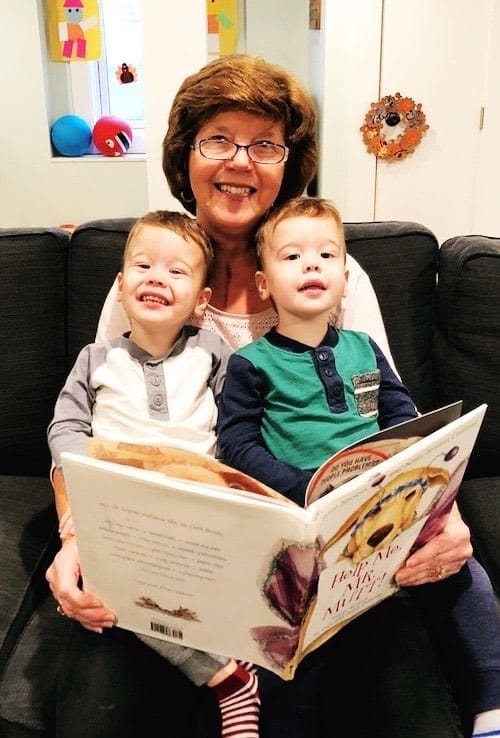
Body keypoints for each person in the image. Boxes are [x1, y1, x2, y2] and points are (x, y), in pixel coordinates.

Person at [45, 54, 474, 738]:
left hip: (328, 555)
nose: (239, 162)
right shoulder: (146, 276)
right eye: (218, 138)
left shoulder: (336, 274)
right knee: (94, 706)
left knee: (409, 702)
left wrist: (440, 512)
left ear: (290, 162)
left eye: (265, 143)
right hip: (177, 552)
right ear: (186, 156)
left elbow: (395, 423)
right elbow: (92, 423)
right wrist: (74, 539)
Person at [216, 195, 500, 738]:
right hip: (303, 514)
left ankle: (490, 704)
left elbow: (400, 413)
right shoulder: (250, 363)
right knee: (288, 615)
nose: (312, 265)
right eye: (292, 256)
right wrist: (300, 488)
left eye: (326, 255)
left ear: (345, 278)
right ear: (262, 283)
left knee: (460, 568)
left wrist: (416, 467)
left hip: (384, 495)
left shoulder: (364, 346)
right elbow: (238, 445)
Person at [48, 209, 261, 738]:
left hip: (200, 506)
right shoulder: (95, 358)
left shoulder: (214, 352)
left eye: (176, 271)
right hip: (119, 509)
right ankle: (225, 677)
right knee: (106, 585)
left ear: (201, 300)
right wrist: (74, 523)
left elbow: (236, 431)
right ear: (120, 287)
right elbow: (65, 430)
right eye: (142, 266)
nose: (156, 278)